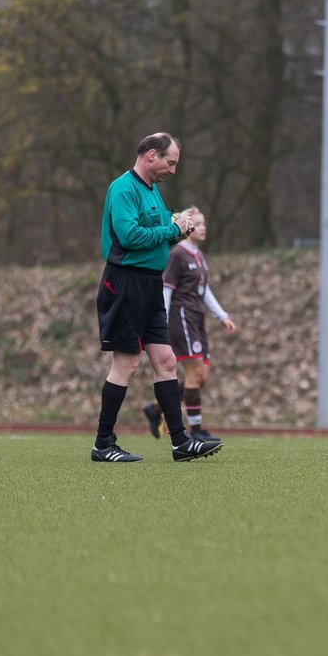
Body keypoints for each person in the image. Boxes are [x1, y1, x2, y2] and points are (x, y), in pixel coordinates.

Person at [92, 132, 223, 463]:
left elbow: (157, 240)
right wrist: (172, 230)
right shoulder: (123, 188)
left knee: (166, 361)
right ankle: (103, 444)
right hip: (124, 284)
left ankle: (180, 442)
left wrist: (178, 231)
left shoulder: (152, 192)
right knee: (126, 363)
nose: (173, 170)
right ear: (151, 155)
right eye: (170, 162)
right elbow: (130, 236)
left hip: (149, 286)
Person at [142, 207, 237, 442]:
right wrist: (161, 320)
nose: (203, 227)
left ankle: (156, 409)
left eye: (204, 223)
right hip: (181, 318)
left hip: (197, 319)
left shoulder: (199, 256)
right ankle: (196, 430)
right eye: (198, 223)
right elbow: (166, 289)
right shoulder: (178, 254)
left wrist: (222, 316)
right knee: (194, 374)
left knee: (201, 377)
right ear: (187, 227)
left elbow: (205, 292)